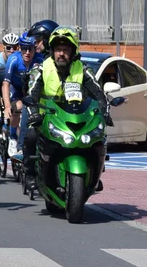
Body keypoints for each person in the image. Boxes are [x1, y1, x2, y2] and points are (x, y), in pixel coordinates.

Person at [23, 27, 109, 190]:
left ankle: (95, 173)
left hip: (77, 117)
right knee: (31, 136)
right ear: (52, 51)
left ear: (73, 51)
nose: (61, 54)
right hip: (47, 118)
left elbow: (99, 94)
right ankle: (30, 175)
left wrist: (104, 112)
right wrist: (34, 114)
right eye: (58, 50)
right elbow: (31, 94)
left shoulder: (83, 70)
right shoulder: (40, 70)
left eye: (66, 50)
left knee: (99, 138)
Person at [2, 31, 37, 156]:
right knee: (18, 108)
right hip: (15, 89)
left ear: (35, 49)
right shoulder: (14, 60)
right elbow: (5, 84)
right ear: (20, 48)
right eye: (24, 49)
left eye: (30, 49)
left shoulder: (40, 59)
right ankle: (12, 137)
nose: (27, 53)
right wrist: (7, 106)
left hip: (31, 91)